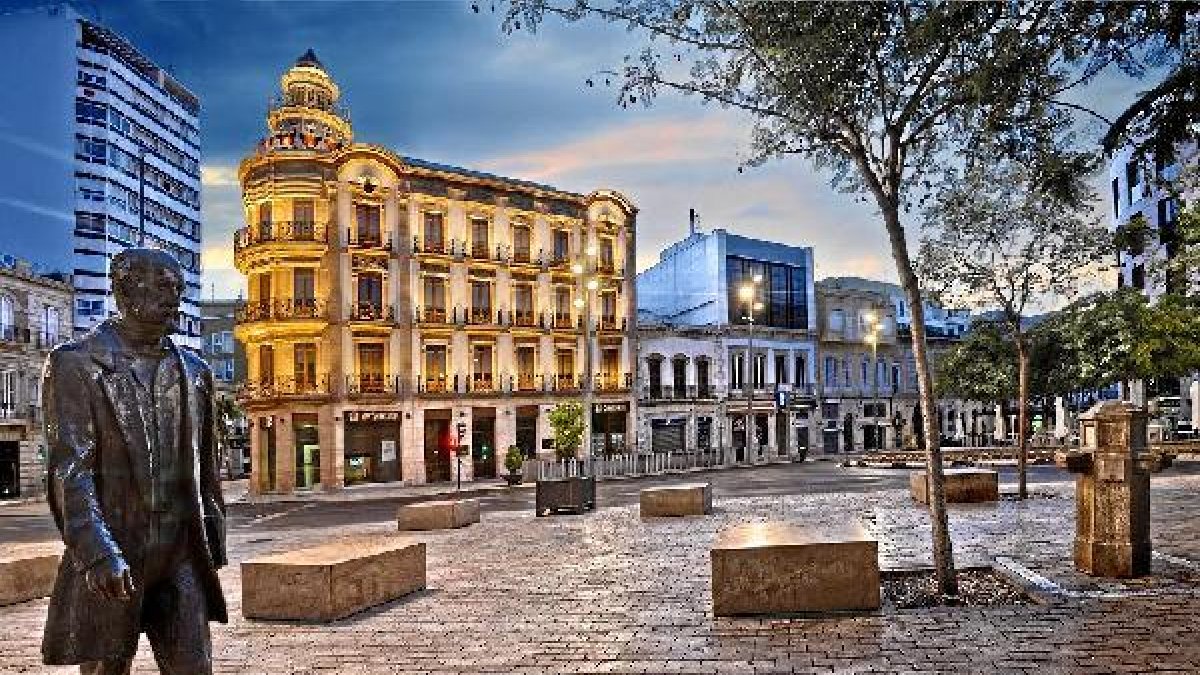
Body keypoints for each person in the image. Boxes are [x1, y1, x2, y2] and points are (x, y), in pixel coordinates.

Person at [41, 248, 227, 674]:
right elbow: (70, 470)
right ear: (124, 288)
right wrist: (97, 553)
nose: (173, 297)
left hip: (180, 556)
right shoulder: (76, 364)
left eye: (177, 288)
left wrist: (213, 531)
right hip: (114, 552)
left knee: (194, 668)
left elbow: (205, 464)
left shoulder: (195, 372)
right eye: (162, 285)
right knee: (108, 669)